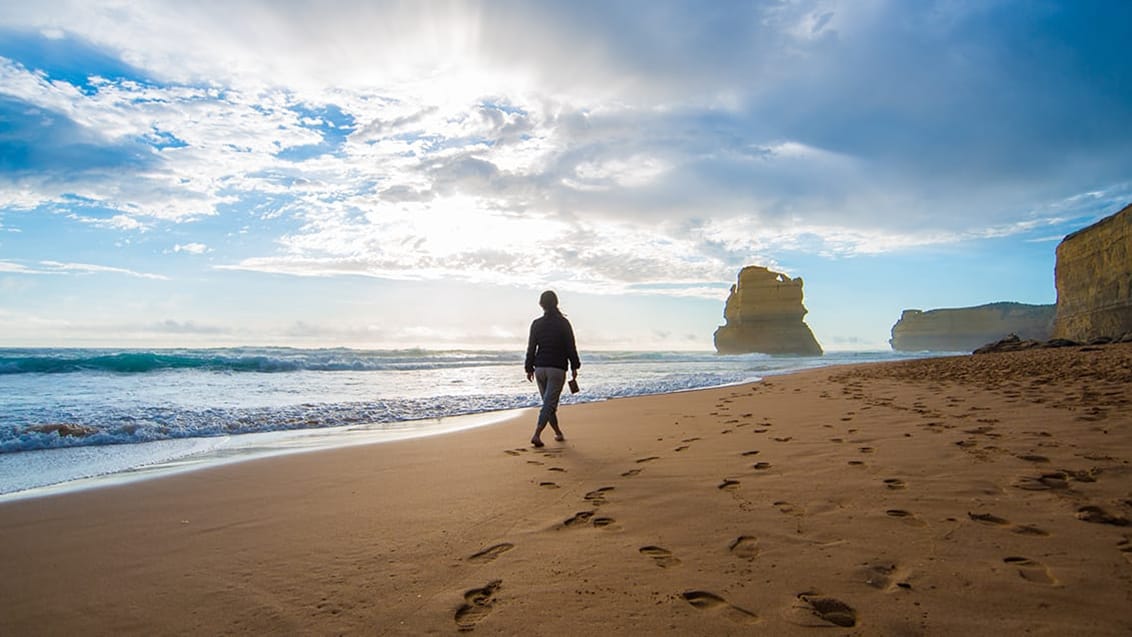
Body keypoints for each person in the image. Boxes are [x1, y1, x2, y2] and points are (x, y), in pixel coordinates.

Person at [524, 290, 581, 447]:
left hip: (540, 368)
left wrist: (529, 368)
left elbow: (531, 348)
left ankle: (557, 432)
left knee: (548, 404)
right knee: (549, 404)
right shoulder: (563, 323)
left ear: (541, 304)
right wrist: (575, 366)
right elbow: (571, 346)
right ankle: (537, 434)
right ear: (556, 303)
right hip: (557, 368)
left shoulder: (536, 324)